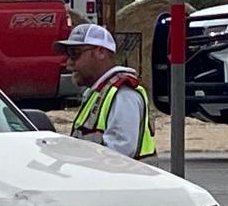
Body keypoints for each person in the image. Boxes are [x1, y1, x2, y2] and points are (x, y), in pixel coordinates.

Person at [55, 23, 155, 159]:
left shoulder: (123, 93)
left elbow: (120, 153)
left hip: (126, 179)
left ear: (100, 52)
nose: (69, 63)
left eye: (74, 54)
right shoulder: (98, 93)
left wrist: (74, 158)